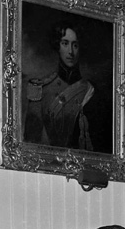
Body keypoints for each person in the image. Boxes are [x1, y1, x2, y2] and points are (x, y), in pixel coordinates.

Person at [23, 20, 96, 150]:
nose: (70, 52)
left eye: (75, 45)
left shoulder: (90, 90)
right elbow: (31, 142)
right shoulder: (41, 89)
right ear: (57, 46)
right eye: (65, 43)